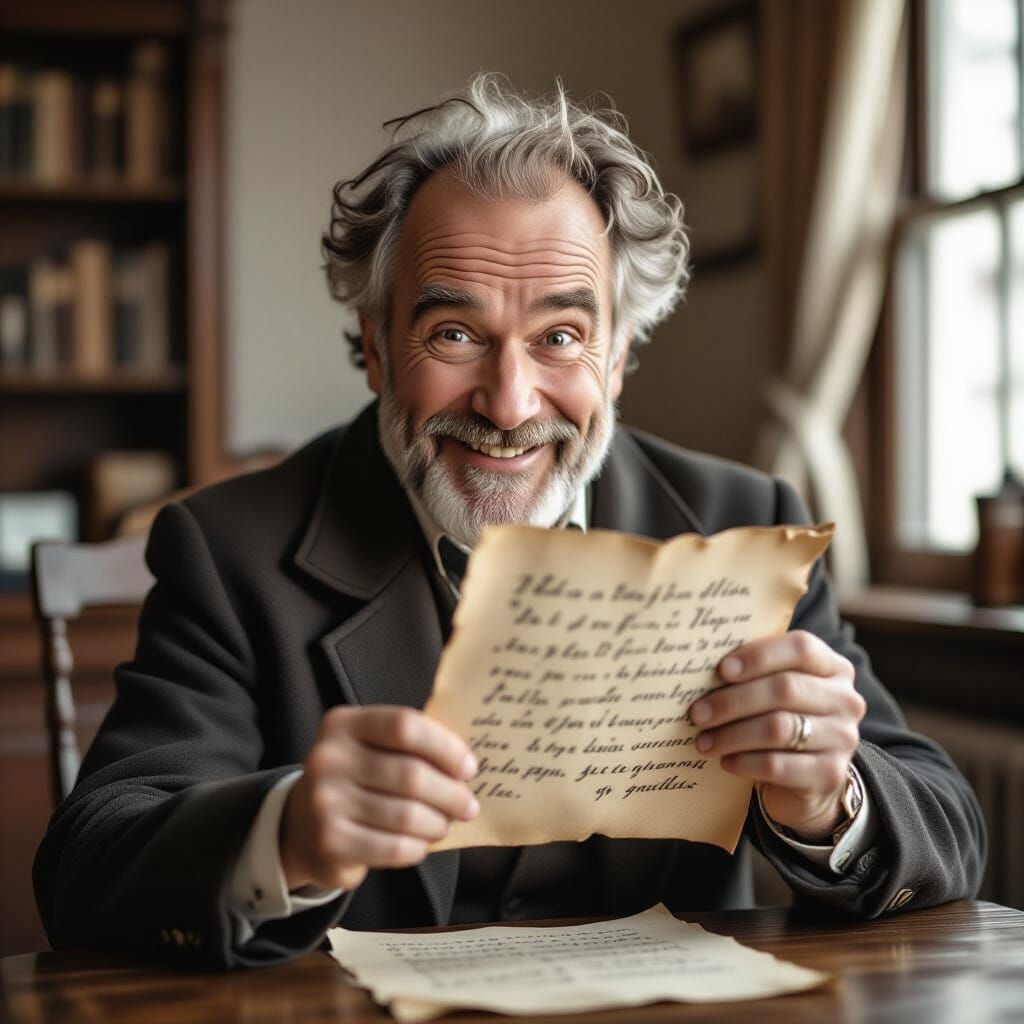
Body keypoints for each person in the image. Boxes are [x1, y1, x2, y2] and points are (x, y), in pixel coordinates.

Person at [34, 74, 984, 968]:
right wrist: (287, 832)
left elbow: (950, 831)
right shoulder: (231, 550)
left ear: (617, 359)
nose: (507, 400)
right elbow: (89, 865)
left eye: (562, 337)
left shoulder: (744, 522)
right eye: (454, 334)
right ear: (374, 346)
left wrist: (828, 796)